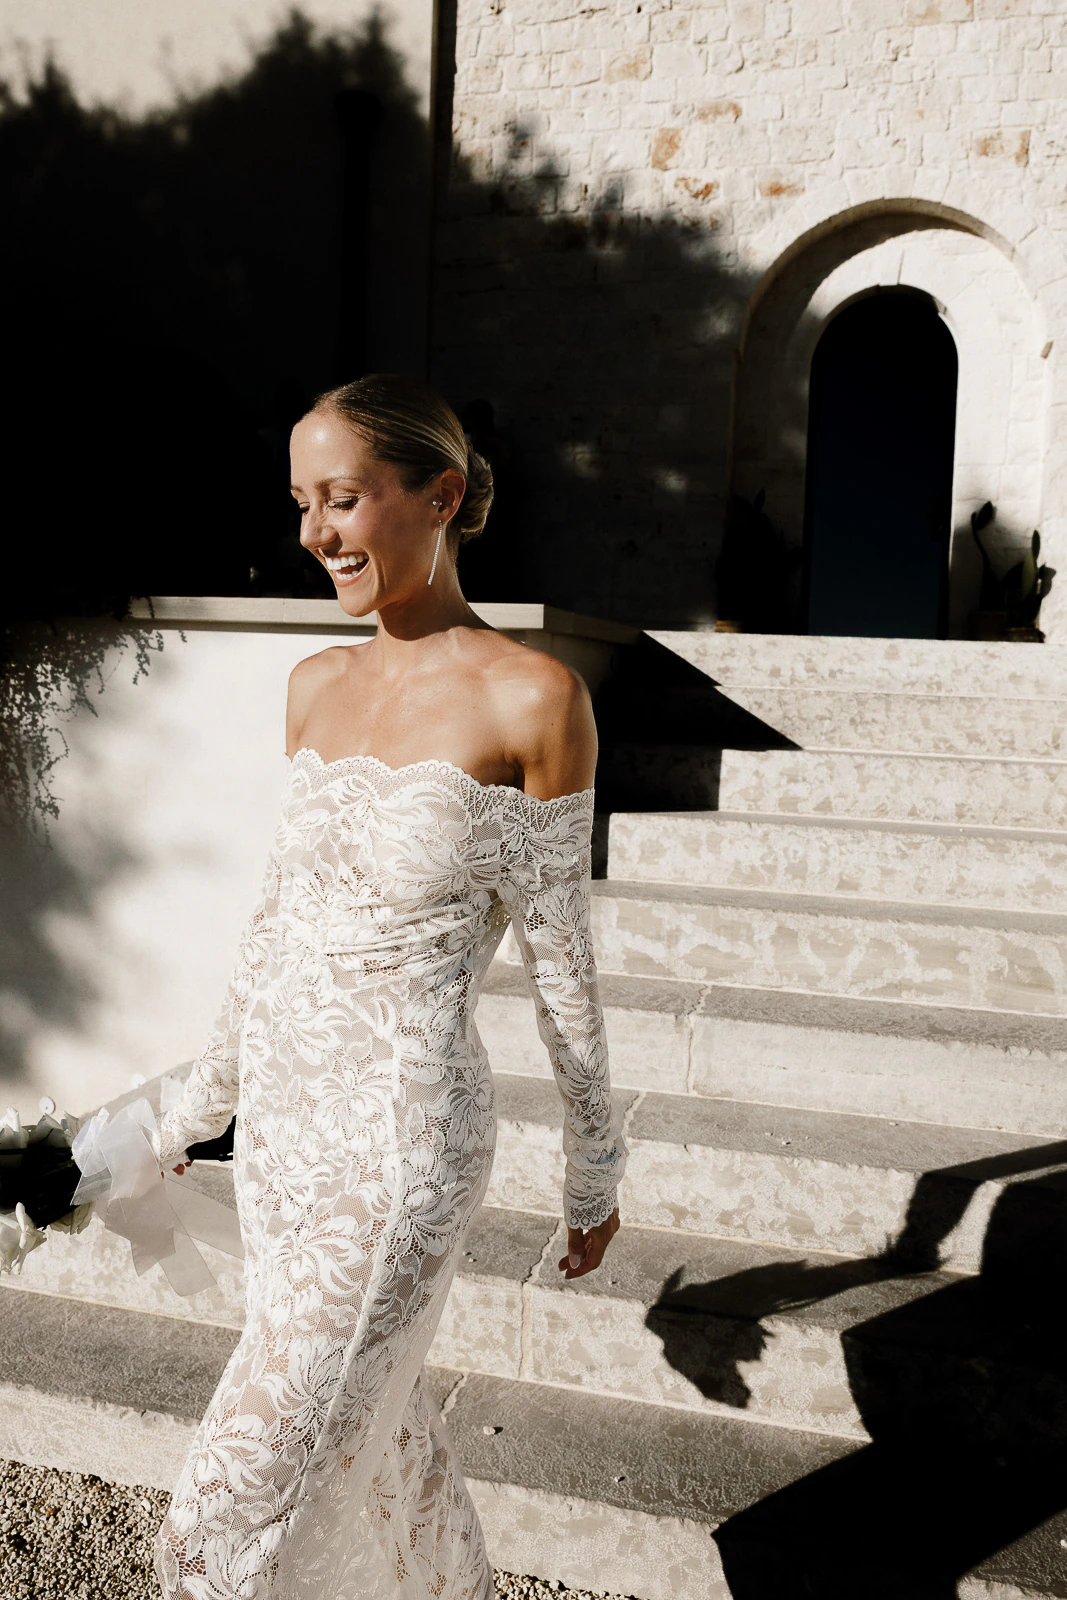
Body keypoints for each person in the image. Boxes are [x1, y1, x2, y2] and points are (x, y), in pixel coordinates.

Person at [152, 373, 629, 1599]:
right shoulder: (314, 685)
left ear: (442, 495)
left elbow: (560, 964)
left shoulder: (536, 698)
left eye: (344, 499)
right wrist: (196, 1102)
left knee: (224, 1510)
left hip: (400, 1143)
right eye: (303, 503)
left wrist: (592, 1170)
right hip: (288, 1144)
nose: (316, 532)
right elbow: (277, 928)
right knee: (378, 1440)